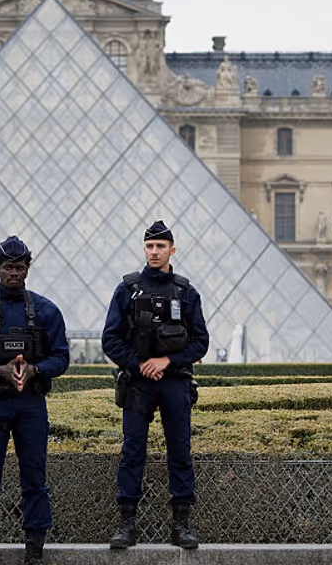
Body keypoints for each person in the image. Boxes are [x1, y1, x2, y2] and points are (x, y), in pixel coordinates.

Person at [0, 236, 70, 565]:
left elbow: (61, 359)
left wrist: (34, 369)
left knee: (35, 477)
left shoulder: (47, 311)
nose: (14, 273)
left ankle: (34, 551)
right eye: (8, 267)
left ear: (27, 270)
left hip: (31, 404)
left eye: (20, 267)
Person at [102, 220, 209, 550]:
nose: (154, 252)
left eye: (160, 246)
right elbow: (111, 340)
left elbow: (201, 343)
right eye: (149, 246)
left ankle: (182, 525)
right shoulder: (127, 290)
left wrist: (166, 362)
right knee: (132, 452)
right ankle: (127, 524)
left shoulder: (186, 292)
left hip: (175, 382)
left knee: (180, 452)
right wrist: (140, 365)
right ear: (144, 248)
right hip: (138, 384)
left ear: (172, 250)